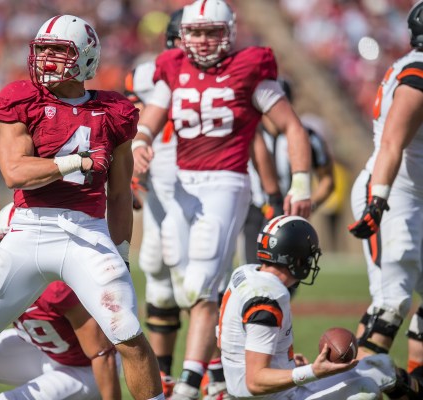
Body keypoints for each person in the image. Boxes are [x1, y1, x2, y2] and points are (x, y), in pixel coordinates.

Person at [0, 15, 164, 400]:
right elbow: (14, 172)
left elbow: (118, 194)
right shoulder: (23, 100)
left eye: (57, 52)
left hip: (87, 230)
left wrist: (121, 255)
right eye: (42, 51)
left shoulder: (115, 111)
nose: (46, 60)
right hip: (30, 227)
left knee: (127, 332)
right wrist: (77, 162)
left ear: (85, 57)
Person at [131, 1, 313, 398]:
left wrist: (300, 181)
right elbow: (151, 116)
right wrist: (141, 142)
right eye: (196, 32)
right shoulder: (173, 66)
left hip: (225, 182)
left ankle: (189, 385)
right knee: (183, 286)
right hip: (182, 182)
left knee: (199, 285)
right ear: (182, 36)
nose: (202, 40)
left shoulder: (250, 68)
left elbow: (291, 126)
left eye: (212, 32)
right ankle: (214, 374)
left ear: (228, 33)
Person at [217, 215, 413, 399]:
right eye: (309, 256)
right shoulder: (268, 297)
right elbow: (254, 381)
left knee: (380, 367)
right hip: (269, 395)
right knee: (365, 390)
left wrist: (284, 364)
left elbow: (227, 341)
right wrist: (311, 372)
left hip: (274, 390)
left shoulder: (246, 273)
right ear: (296, 258)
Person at [0, 203, 122, 400]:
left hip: (83, 368)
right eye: (1, 244)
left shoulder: (56, 287)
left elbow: (102, 354)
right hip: (39, 349)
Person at [348, 0, 423, 385]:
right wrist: (378, 201)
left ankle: (409, 383)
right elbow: (393, 142)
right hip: (396, 196)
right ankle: (353, 386)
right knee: (393, 303)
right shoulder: (418, 72)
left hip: (413, 196)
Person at [124, 9, 183, 398]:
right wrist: (130, 171)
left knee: (195, 279)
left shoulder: (221, 74)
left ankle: (209, 375)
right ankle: (163, 375)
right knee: (155, 270)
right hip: (160, 180)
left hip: (204, 180)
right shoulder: (148, 74)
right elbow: (132, 121)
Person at [243, 78, 335, 264]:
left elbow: (327, 180)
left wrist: (310, 204)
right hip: (255, 210)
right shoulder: (250, 133)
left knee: (287, 275)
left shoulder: (308, 137)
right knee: (252, 270)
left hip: (288, 212)